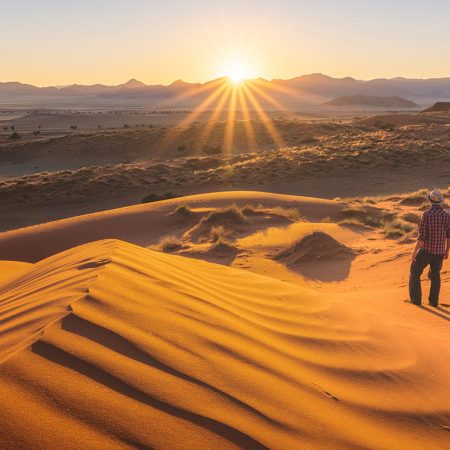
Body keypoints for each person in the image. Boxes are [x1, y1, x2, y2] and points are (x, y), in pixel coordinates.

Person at [409, 190, 450, 307]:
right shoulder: (447, 215)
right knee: (435, 275)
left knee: (414, 272)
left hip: (427, 250)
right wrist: (446, 251)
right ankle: (434, 302)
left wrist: (415, 252)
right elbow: (449, 235)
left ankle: (416, 301)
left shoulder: (426, 214)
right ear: (441, 201)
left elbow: (421, 237)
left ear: (430, 201)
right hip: (440, 252)